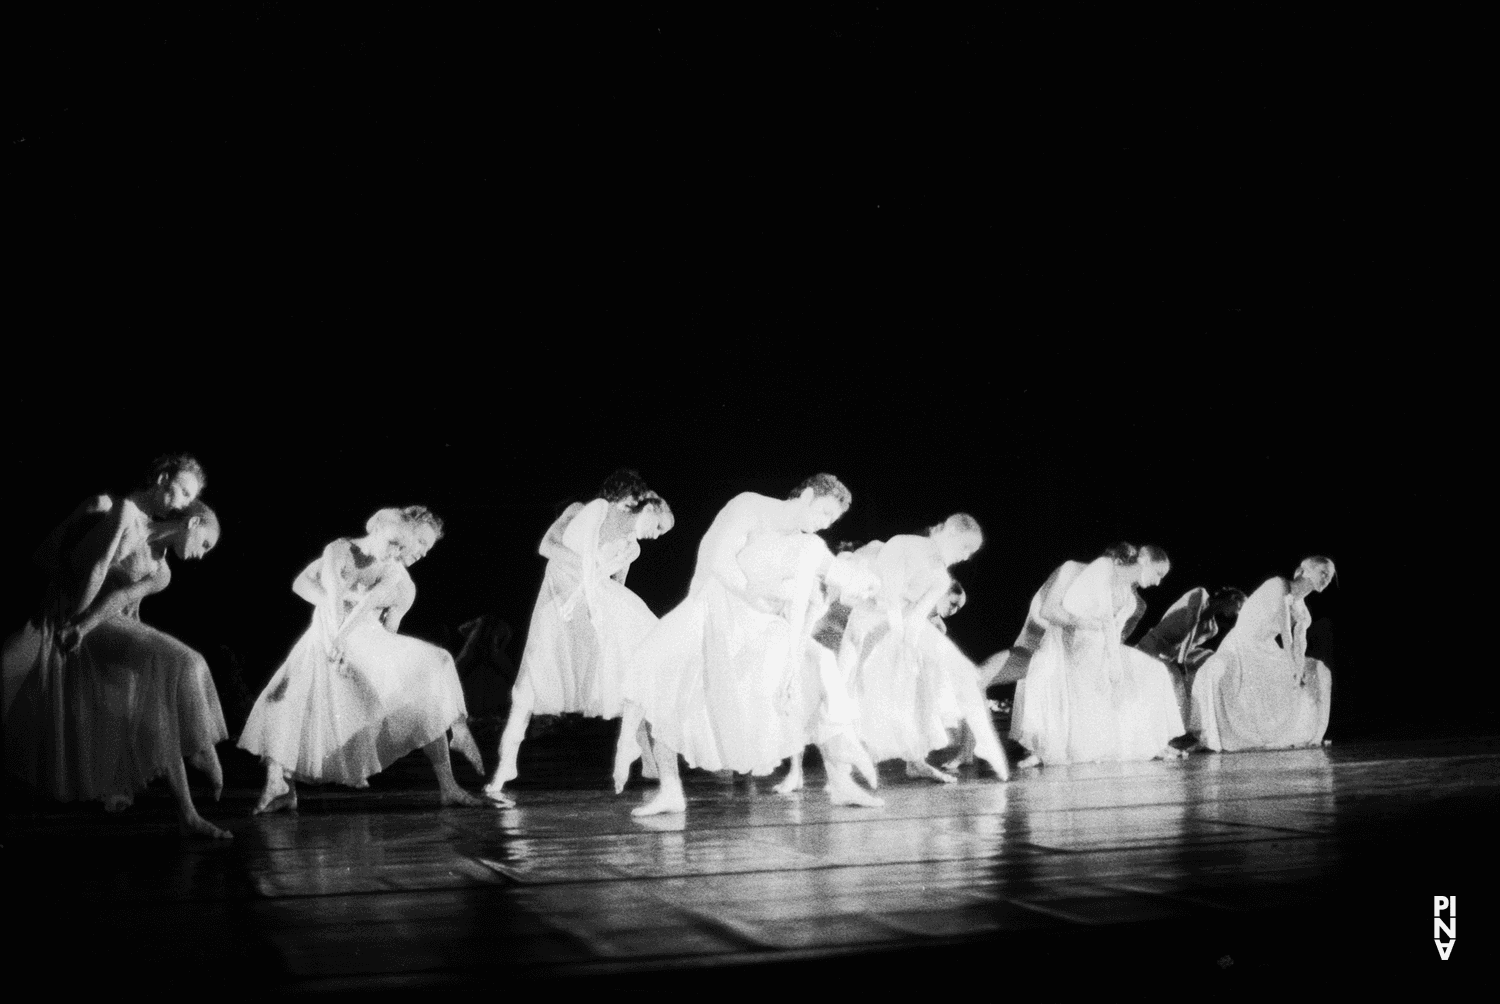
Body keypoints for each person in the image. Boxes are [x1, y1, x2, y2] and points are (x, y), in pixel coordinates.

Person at [621, 474, 856, 817]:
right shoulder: (751, 505)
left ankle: (841, 782)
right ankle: (670, 790)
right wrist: (760, 599)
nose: (823, 525)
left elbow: (821, 578)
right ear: (806, 495)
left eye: (830, 521)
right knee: (669, 683)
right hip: (711, 606)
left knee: (816, 667)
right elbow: (718, 560)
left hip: (755, 622)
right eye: (823, 513)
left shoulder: (802, 544)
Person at [4, 491, 232, 840]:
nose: (201, 555)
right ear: (193, 522)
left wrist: (82, 625)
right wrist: (74, 619)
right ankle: (196, 757)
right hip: (61, 614)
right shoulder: (123, 514)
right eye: (204, 544)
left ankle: (191, 794)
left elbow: (118, 600)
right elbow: (80, 564)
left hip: (99, 623)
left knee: (178, 669)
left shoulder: (162, 573)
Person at [239, 507, 491, 812]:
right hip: (325, 635)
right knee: (284, 700)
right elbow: (306, 585)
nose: (418, 551)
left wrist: (362, 652)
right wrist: (340, 616)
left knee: (422, 688)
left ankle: (450, 776)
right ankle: (280, 785)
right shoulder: (343, 550)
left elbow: (387, 631)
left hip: (359, 643)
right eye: (417, 542)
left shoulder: (401, 582)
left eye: (423, 547)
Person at [484, 471, 674, 806]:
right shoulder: (581, 511)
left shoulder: (630, 547)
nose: (656, 535)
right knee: (533, 681)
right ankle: (505, 765)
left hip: (590, 606)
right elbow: (548, 545)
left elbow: (618, 587)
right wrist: (588, 571)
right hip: (559, 601)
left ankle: (644, 756)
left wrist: (604, 613)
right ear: (627, 499)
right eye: (657, 526)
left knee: (635, 658)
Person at [841, 515, 1009, 784]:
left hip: (900, 625)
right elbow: (890, 597)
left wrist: (908, 647)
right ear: (951, 534)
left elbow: (915, 619)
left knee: (963, 669)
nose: (966, 558)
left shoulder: (941, 579)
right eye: (965, 548)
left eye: (971, 553)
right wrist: (902, 643)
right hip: (870, 621)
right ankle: (840, 769)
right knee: (850, 690)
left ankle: (985, 742)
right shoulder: (904, 544)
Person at [1009, 543, 1186, 766]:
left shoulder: (1132, 598)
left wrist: (1113, 658)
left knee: (1154, 670)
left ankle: (1150, 741)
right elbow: (1097, 618)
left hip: (1099, 645)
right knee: (1120, 674)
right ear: (1144, 561)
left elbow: (1115, 630)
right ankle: (1052, 745)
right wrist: (1110, 657)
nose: (1158, 582)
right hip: (1075, 642)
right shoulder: (1101, 569)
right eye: (1158, 573)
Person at [1189, 558, 1335, 751]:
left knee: (1317, 669)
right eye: (1323, 572)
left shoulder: (1303, 612)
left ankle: (1309, 734)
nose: (1326, 578)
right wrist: (1293, 667)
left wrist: (1299, 669)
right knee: (1225, 675)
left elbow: (1300, 644)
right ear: (1305, 570)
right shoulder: (1279, 585)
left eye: (1330, 576)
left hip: (1266, 649)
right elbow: (1285, 631)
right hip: (1241, 646)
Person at [1135, 586, 1247, 724]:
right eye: (1239, 606)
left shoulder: (1212, 629)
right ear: (1232, 598)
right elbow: (1191, 626)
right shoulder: (1200, 594)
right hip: (1153, 645)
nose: (1238, 612)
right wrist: (1180, 661)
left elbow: (1188, 646)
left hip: (1170, 655)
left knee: (1209, 659)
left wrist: (1181, 660)